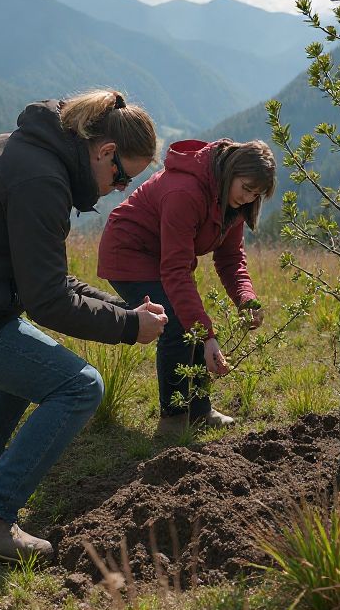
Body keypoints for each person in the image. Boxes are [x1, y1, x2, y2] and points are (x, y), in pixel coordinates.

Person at [0, 91, 168, 562]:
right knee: (80, 387)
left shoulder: (24, 149)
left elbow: (48, 281)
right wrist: (127, 327)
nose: (119, 189)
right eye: (122, 177)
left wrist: (124, 310)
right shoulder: (41, 180)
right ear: (104, 152)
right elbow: (48, 301)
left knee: (40, 355)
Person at [97, 138, 276, 436]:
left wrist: (247, 300)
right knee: (178, 324)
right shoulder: (186, 191)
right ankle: (173, 421)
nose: (248, 198)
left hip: (162, 256)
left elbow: (231, 258)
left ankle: (199, 412)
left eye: (256, 194)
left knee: (190, 321)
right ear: (231, 172)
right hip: (128, 252)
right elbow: (175, 271)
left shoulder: (232, 201)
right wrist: (207, 335)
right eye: (246, 188)